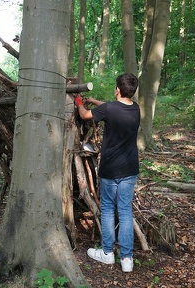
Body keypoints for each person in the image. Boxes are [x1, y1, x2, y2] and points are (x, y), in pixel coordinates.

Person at [74, 73, 140, 273]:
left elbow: (85, 115)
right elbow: (113, 107)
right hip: (130, 169)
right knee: (126, 212)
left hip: (110, 169)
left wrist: (79, 102)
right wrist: (94, 101)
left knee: (109, 210)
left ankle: (108, 252)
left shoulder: (110, 109)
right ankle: (127, 259)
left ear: (117, 90)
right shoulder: (135, 109)